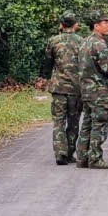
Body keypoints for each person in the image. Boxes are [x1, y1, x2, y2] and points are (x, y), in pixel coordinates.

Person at [75, 11, 108, 169]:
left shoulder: (84, 42)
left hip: (86, 89)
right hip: (98, 89)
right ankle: (95, 158)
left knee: (87, 123)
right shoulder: (99, 43)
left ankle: (82, 157)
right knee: (100, 123)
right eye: (105, 22)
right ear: (96, 26)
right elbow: (105, 68)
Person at [42, 10, 82, 165]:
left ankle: (60, 152)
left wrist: (44, 79)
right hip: (75, 88)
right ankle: (70, 152)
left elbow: (47, 63)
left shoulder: (53, 41)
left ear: (61, 25)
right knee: (73, 121)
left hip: (58, 88)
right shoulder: (81, 42)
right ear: (76, 25)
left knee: (58, 121)